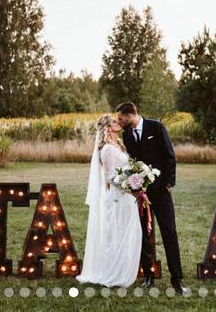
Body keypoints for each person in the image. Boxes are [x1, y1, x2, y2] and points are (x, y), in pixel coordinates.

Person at [117, 101, 186, 294]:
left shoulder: (155, 127)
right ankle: (148, 275)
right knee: (144, 235)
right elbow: (132, 162)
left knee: (169, 232)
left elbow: (169, 155)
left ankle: (177, 279)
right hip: (141, 194)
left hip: (161, 192)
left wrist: (169, 183)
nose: (119, 122)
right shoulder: (127, 135)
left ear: (130, 115)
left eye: (121, 119)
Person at [76, 113, 142, 287]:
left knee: (124, 232)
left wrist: (136, 180)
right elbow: (111, 177)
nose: (118, 122)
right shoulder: (106, 149)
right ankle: (110, 271)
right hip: (116, 197)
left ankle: (121, 269)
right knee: (115, 233)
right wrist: (131, 187)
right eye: (114, 121)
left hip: (126, 196)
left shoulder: (118, 145)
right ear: (107, 127)